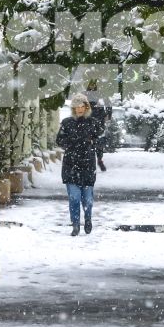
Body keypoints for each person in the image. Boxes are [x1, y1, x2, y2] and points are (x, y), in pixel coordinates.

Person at [58, 95, 102, 235]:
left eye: (82, 106)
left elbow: (100, 141)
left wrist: (92, 145)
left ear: (87, 107)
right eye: (77, 106)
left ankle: (88, 219)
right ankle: (75, 224)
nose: (80, 109)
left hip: (88, 166)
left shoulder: (93, 123)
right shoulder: (66, 123)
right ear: (73, 108)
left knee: (88, 200)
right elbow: (60, 140)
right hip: (71, 165)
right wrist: (70, 143)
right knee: (74, 198)